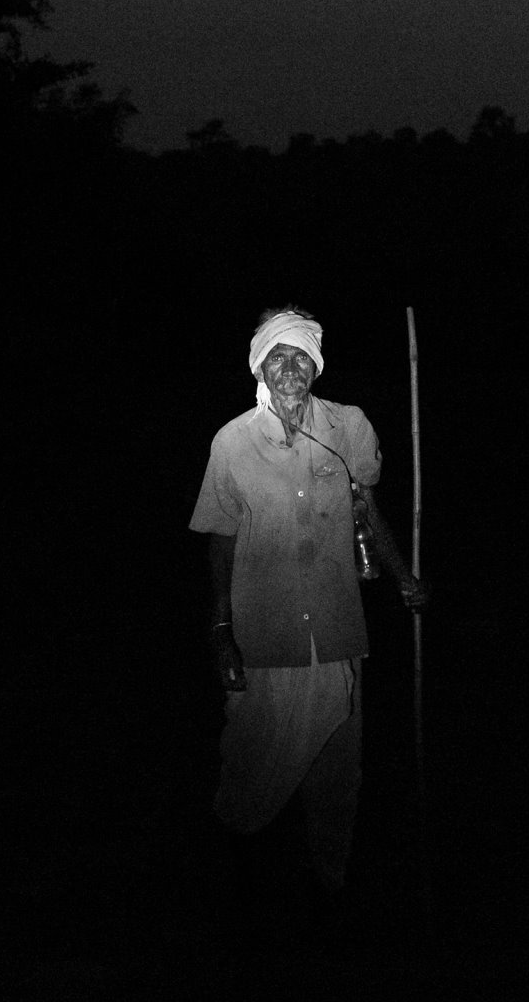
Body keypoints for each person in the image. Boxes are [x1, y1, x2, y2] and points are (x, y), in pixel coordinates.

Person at [189, 305, 426, 922]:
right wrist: (219, 629)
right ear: (259, 366)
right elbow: (221, 535)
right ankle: (243, 885)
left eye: (301, 356)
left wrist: (403, 579)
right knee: (253, 758)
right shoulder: (232, 441)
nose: (290, 367)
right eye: (278, 356)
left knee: (337, 769)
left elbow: (366, 510)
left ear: (315, 366)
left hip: (338, 627)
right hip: (264, 633)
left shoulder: (348, 426)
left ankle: (331, 884)